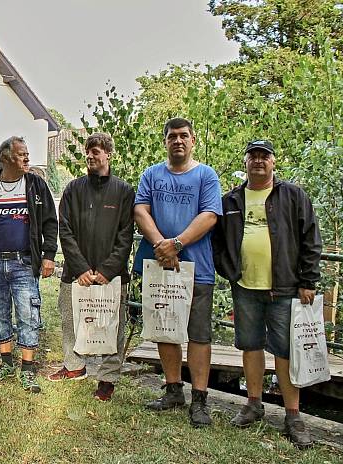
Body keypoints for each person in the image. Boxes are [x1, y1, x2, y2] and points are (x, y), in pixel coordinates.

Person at [213, 140, 321, 448]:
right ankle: (254, 403)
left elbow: (311, 239)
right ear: (245, 162)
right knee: (250, 346)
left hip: (285, 288)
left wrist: (308, 281)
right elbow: (217, 241)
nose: (259, 161)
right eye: (253, 156)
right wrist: (229, 269)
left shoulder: (293, 196)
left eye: (265, 156)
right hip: (245, 287)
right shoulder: (231, 199)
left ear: (273, 162)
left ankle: (293, 415)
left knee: (285, 352)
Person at [133, 118, 222, 426]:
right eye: (172, 136)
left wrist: (178, 244)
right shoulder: (152, 174)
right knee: (164, 328)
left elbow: (210, 215)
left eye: (184, 136)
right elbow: (140, 210)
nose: (178, 141)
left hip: (197, 268)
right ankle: (173, 389)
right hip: (159, 265)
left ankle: (199, 400)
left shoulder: (206, 175)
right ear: (165, 141)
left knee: (198, 334)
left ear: (193, 140)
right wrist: (161, 245)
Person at [48, 133, 134, 401]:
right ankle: (74, 366)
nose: (90, 156)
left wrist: (108, 270)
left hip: (112, 275)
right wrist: (81, 267)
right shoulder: (73, 189)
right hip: (77, 272)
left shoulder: (124, 191)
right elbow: (66, 231)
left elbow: (126, 235)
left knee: (113, 325)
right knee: (70, 319)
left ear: (109, 154)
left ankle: (107, 378)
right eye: (87, 151)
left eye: (96, 151)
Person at [0, 136, 58, 393]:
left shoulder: (35, 184)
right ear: (5, 158)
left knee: (28, 315)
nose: (27, 158)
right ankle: (5, 363)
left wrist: (48, 255)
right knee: (0, 314)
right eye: (21, 154)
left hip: (24, 262)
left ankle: (27, 369)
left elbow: (49, 222)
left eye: (26, 153)